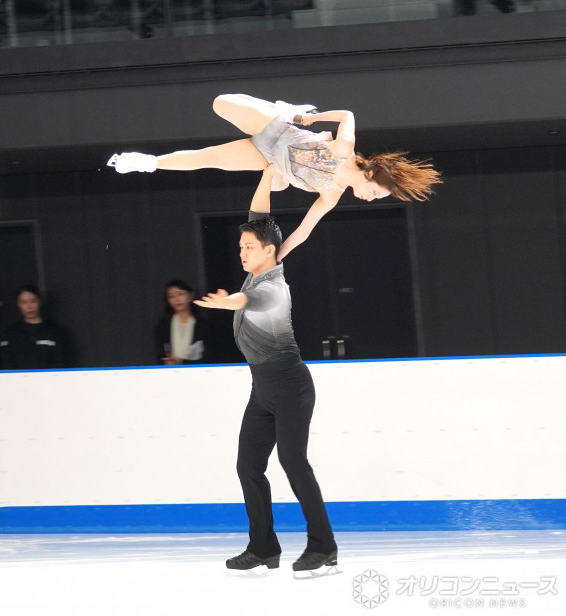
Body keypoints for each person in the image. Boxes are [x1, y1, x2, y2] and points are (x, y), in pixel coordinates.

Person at [194, 165, 338, 577]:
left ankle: (324, 547)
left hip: (290, 384)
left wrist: (227, 302)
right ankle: (262, 548)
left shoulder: (272, 288)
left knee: (294, 463)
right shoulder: (258, 271)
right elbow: (259, 213)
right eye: (240, 246)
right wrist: (269, 169)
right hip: (263, 388)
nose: (242, 252)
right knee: (248, 465)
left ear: (269, 251)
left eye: (249, 247)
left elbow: (247, 302)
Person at [108, 93, 441, 260]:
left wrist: (275, 257)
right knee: (220, 102)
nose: (371, 198)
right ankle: (284, 108)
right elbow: (348, 115)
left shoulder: (331, 196)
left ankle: (147, 162)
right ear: (369, 173)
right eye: (376, 192)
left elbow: (302, 233)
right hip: (276, 127)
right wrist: (308, 118)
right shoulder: (344, 149)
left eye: (376, 198)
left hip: (267, 157)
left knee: (207, 159)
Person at [0, 285, 68, 370]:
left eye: (33, 301)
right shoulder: (10, 333)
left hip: (48, 377)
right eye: (24, 302)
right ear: (18, 304)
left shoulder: (54, 331)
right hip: (17, 378)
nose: (29, 306)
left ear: (39, 302)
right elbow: (6, 362)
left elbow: (60, 362)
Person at [154, 279, 215, 365]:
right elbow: (160, 354)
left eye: (180, 294)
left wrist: (181, 362)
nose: (177, 299)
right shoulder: (163, 326)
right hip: (169, 371)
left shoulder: (203, 326)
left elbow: (210, 356)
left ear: (190, 295)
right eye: (171, 296)